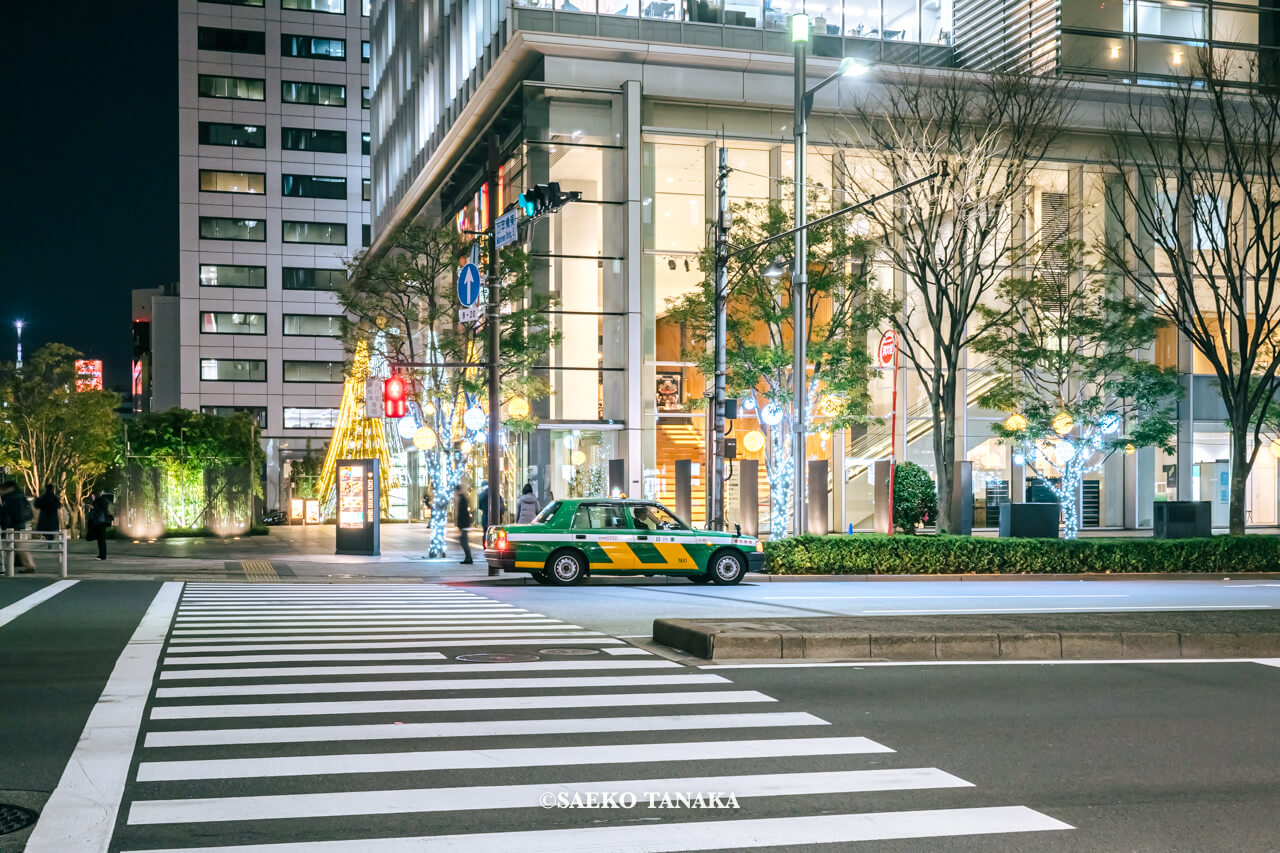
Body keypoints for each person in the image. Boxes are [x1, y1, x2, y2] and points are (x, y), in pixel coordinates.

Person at [0, 481, 36, 572]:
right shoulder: (18, 495)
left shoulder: (11, 497)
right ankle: (28, 564)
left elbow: (8, 512)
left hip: (13, 525)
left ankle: (29, 565)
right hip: (18, 524)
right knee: (17, 545)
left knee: (19, 545)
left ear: (8, 488)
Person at [84, 489, 112, 561]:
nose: (95, 495)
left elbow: (103, 510)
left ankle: (102, 555)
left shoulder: (103, 500)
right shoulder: (96, 500)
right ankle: (101, 555)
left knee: (101, 539)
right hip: (96, 522)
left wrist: (93, 507)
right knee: (100, 539)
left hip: (101, 522)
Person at [454, 484, 473, 564]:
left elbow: (463, 513)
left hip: (464, 524)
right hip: (464, 524)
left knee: (463, 541)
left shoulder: (462, 499)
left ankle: (469, 558)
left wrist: (460, 524)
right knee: (463, 541)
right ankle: (468, 557)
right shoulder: (463, 498)